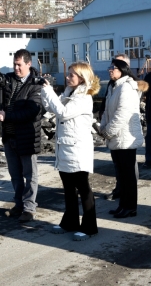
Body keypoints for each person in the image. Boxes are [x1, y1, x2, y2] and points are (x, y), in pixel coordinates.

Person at [41, 62, 100, 241]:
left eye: (72, 75)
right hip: (65, 147)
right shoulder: (69, 94)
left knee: (83, 188)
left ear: (82, 78)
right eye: (68, 74)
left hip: (78, 149)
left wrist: (50, 93)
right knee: (68, 188)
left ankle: (90, 227)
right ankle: (70, 222)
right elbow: (51, 108)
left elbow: (63, 113)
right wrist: (45, 91)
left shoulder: (84, 98)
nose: (67, 77)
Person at [0, 49, 43, 223]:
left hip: (27, 136)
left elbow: (32, 111)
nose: (16, 68)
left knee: (30, 174)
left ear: (28, 64)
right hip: (9, 136)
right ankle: (18, 204)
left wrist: (7, 116)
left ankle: (29, 208)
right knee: (15, 175)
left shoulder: (36, 84)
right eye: (14, 64)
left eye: (19, 65)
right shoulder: (8, 79)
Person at [100, 58, 146, 218]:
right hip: (116, 138)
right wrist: (102, 126)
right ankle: (122, 205)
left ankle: (130, 207)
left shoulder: (126, 87)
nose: (110, 70)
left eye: (113, 68)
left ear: (122, 70)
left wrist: (107, 131)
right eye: (110, 67)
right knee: (121, 175)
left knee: (128, 176)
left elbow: (122, 114)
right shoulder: (114, 87)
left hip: (125, 139)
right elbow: (107, 111)